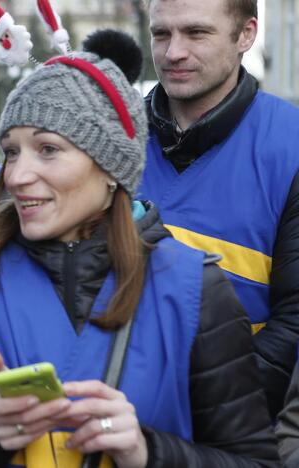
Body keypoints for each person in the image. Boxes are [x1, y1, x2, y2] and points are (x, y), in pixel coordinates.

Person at [0, 30, 278, 468]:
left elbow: (256, 460)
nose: (17, 175)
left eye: (47, 149)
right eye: (12, 152)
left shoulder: (196, 289)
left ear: (111, 167)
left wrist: (146, 452)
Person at [139, 0, 299, 419]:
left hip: (233, 425)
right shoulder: (111, 138)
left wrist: (211, 409)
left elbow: (295, 320)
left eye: (196, 33)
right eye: (161, 34)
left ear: (246, 34)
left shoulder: (291, 147)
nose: (173, 52)